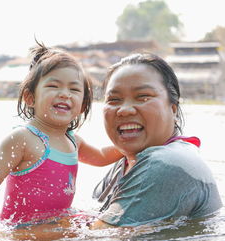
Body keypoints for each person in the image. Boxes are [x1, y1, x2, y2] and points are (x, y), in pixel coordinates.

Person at [0, 41, 122, 236]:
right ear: (30, 98)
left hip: (57, 223)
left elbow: (102, 156)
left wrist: (141, 144)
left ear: (82, 105)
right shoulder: (23, 139)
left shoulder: (73, 141)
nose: (64, 94)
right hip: (21, 231)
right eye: (53, 86)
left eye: (74, 90)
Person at [90, 53, 223, 229]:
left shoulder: (166, 163)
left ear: (173, 109)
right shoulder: (124, 164)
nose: (125, 110)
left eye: (143, 97)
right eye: (114, 99)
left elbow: (100, 237)